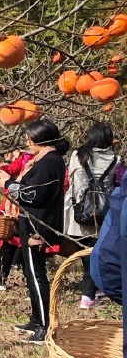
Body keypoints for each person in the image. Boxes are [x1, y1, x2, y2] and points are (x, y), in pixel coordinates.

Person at [0, 118, 69, 344]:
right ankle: (36, 320)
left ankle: (44, 327)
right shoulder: (43, 161)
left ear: (41, 139)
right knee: (30, 273)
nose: (26, 141)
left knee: (36, 276)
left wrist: (8, 184)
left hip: (38, 227)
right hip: (31, 225)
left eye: (30, 137)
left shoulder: (50, 163)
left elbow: (33, 195)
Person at [64, 121, 117, 309]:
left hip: (79, 211)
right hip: (104, 212)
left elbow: (72, 181)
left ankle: (89, 292)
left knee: (85, 252)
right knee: (96, 252)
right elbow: (117, 184)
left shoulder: (77, 156)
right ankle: (90, 292)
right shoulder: (115, 159)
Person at [0, 150, 25, 291]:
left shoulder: (32, 161)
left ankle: (30, 285)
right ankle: (0, 280)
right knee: (8, 244)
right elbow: (6, 171)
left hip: (23, 207)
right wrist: (6, 163)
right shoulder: (20, 160)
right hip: (11, 207)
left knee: (24, 247)